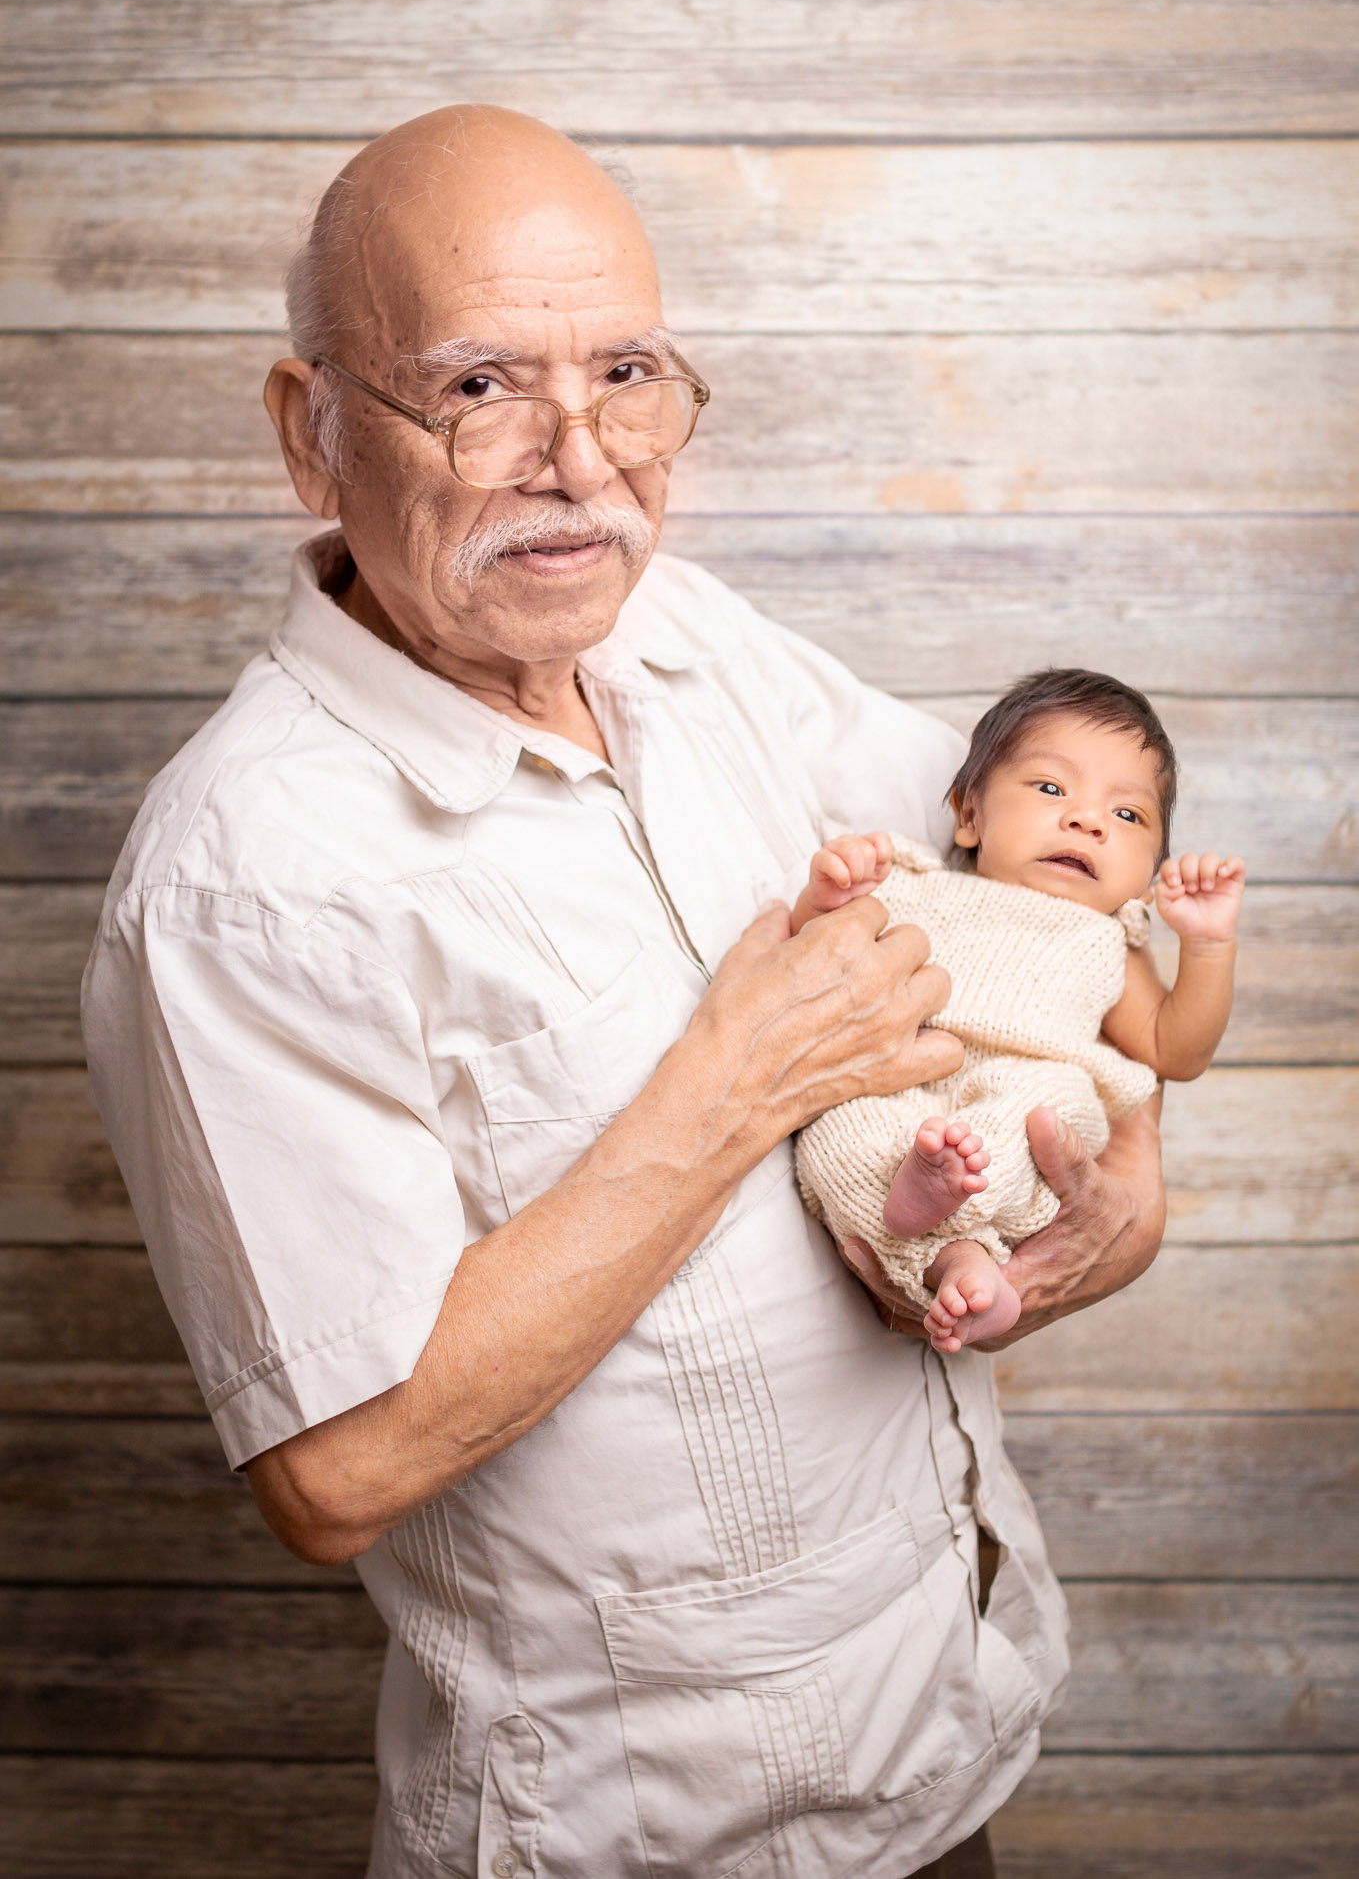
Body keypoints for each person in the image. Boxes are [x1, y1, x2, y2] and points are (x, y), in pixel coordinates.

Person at [81, 105, 1167, 1879]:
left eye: (629, 372)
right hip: (651, 1834)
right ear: (312, 430)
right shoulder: (243, 877)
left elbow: (1028, 895)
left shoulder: (683, 633)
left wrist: (1118, 1182)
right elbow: (336, 1465)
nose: (579, 462)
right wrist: (728, 1083)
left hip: (938, 1736)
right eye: (480, 384)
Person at [792, 669, 1244, 1351]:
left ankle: (952, 1225)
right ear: (969, 817)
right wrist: (830, 894)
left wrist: (1207, 946)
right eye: (1050, 788)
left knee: (1046, 1106)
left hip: (1017, 1097)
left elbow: (1173, 1052)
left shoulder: (1108, 941)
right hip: (894, 1086)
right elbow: (822, 952)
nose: (1087, 819)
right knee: (839, 1126)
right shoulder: (917, 882)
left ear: (1148, 871)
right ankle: (959, 1262)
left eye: (1126, 816)